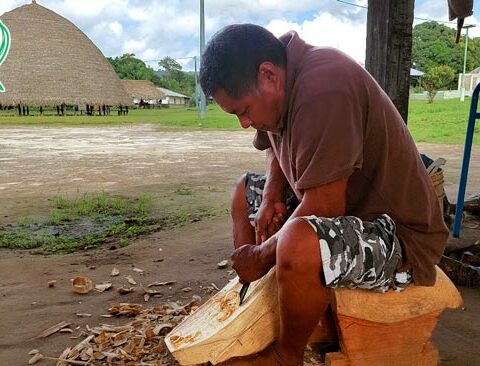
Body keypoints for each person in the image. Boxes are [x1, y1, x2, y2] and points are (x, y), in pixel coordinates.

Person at [199, 24, 448, 366]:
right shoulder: (283, 75)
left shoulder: (324, 87)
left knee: (297, 240)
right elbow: (272, 143)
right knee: (244, 192)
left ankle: (287, 354)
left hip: (398, 235)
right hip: (347, 211)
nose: (244, 123)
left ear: (268, 74)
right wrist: (273, 189)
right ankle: (256, 304)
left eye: (243, 111)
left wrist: (259, 255)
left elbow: (325, 207)